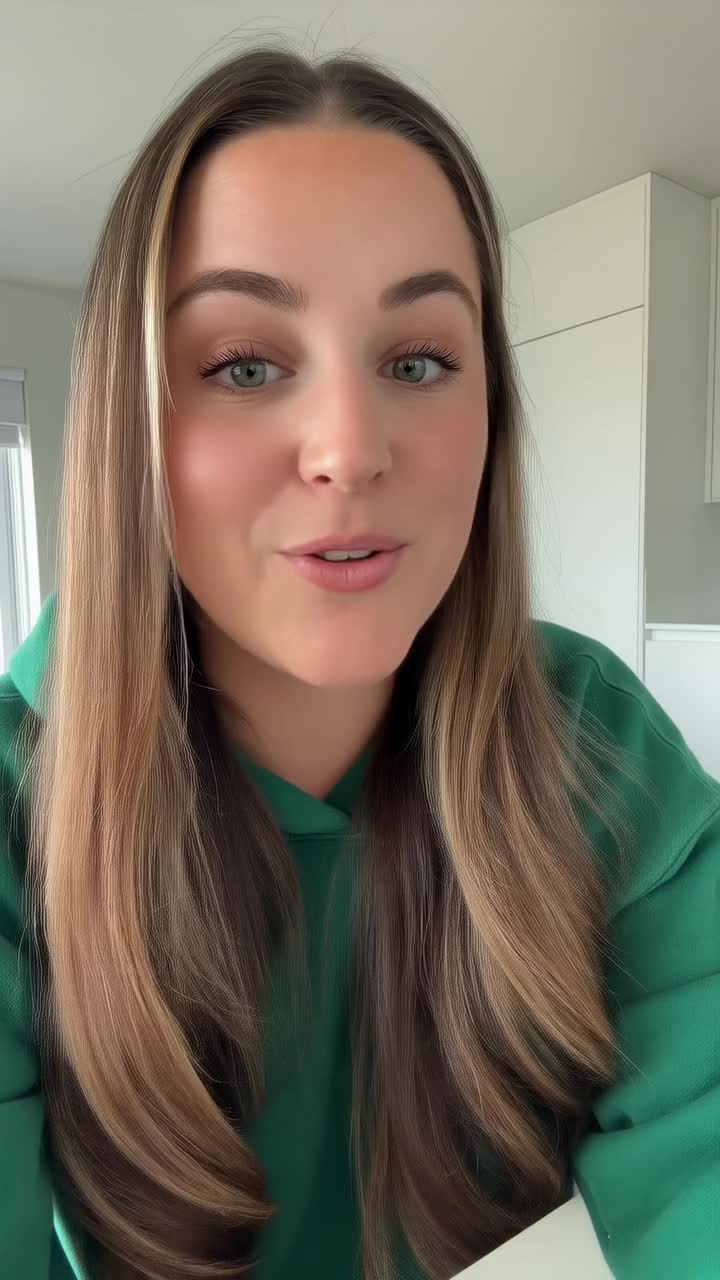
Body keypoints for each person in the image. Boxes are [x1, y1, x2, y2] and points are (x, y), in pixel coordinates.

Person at [0, 40, 718, 1280]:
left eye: (418, 360)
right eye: (244, 364)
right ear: (132, 428)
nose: (349, 445)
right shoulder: (19, 800)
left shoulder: (595, 739)